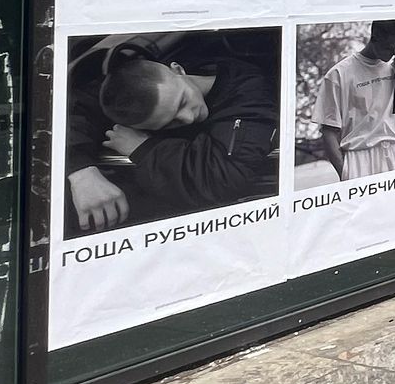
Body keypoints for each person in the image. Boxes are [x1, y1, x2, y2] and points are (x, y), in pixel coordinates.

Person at [66, 32, 280, 233]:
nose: (188, 117)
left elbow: (224, 178)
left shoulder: (249, 95)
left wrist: (144, 148)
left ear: (178, 70)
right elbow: (74, 109)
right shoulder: (127, 88)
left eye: (182, 102)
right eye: (170, 124)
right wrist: (81, 171)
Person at [315, 19, 395, 182]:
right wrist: (346, 173)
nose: (393, 52)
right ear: (374, 38)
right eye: (389, 47)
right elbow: (328, 131)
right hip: (358, 158)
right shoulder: (339, 74)